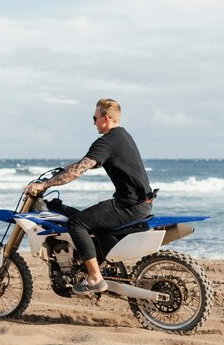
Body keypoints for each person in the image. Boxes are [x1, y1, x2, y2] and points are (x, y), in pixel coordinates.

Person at [25, 98, 154, 295]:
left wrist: (45, 184)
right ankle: (102, 267)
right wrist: (61, 171)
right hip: (139, 203)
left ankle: (95, 278)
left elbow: (78, 171)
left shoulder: (107, 141)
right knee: (88, 220)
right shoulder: (121, 136)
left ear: (106, 117)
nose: (93, 122)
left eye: (94, 118)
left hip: (128, 205)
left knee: (76, 223)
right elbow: (83, 163)